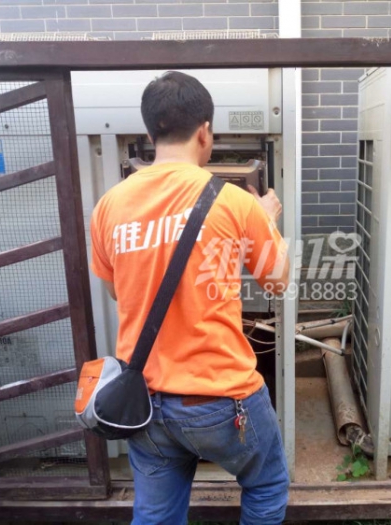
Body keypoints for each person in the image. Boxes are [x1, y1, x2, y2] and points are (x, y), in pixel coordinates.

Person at [89, 71, 290, 525]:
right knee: (265, 484)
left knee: (156, 515)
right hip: (222, 398)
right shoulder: (235, 202)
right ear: (205, 131)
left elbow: (118, 292)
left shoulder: (109, 206)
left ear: (149, 135)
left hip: (146, 400)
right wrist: (267, 221)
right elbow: (278, 282)